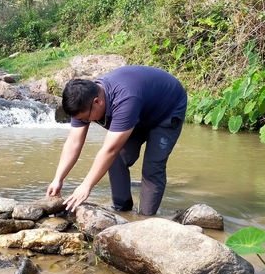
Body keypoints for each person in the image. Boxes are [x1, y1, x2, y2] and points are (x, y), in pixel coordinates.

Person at [47, 65, 187, 215]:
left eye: (86, 119)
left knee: (152, 166)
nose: (86, 122)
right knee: (117, 158)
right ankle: (122, 210)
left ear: (97, 102)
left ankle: (146, 218)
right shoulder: (83, 102)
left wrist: (86, 185)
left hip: (167, 109)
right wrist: (58, 178)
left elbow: (109, 150)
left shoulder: (125, 99)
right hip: (139, 111)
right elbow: (73, 142)